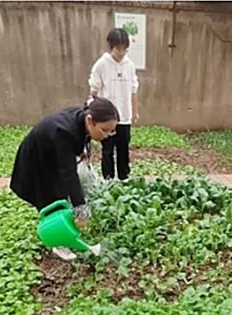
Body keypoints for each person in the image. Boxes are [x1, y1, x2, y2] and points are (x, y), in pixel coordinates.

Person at [10, 99, 119, 260]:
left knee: (62, 192)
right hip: (36, 162)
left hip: (51, 157)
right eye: (105, 130)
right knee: (51, 197)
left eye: (111, 131)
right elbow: (69, 174)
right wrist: (81, 210)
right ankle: (57, 241)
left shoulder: (82, 118)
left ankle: (63, 230)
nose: (108, 135)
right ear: (90, 121)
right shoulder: (65, 132)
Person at [89, 27, 139, 181]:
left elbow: (133, 89)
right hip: (106, 118)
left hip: (124, 116)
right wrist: (95, 113)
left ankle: (124, 177)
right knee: (107, 150)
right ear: (111, 46)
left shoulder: (129, 65)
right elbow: (94, 91)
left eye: (125, 49)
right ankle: (108, 180)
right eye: (119, 49)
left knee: (123, 149)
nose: (122, 53)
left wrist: (135, 111)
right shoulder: (102, 64)